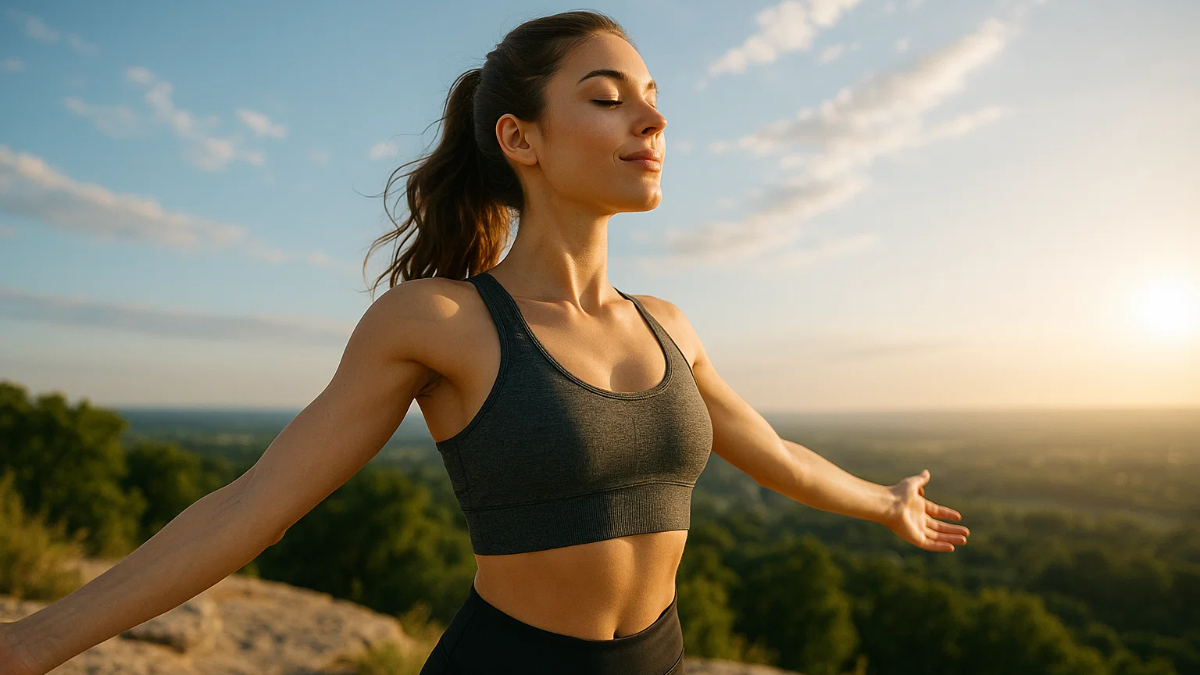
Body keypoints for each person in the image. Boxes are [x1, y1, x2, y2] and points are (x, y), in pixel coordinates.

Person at [0, 9, 970, 675]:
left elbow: (778, 456)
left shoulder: (666, 323)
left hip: (657, 659)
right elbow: (255, 504)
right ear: (521, 138)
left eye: (651, 94)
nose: (653, 116)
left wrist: (883, 502)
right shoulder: (441, 321)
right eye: (606, 96)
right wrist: (36, 643)